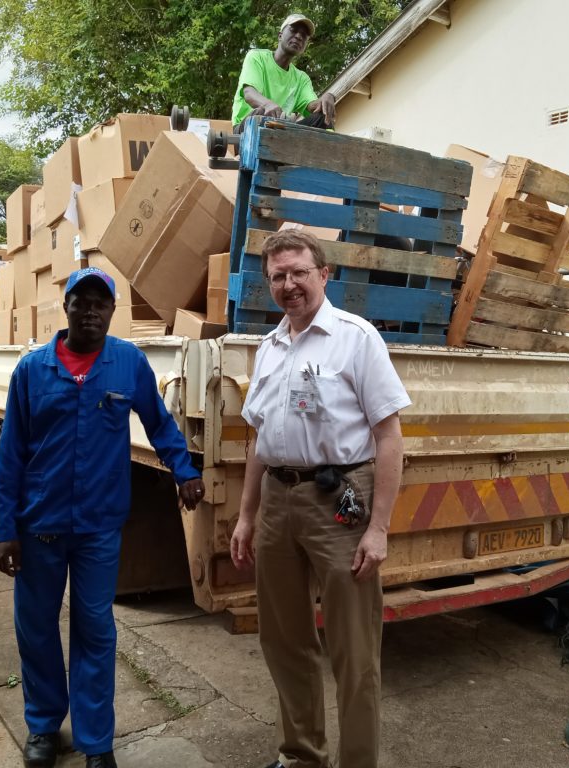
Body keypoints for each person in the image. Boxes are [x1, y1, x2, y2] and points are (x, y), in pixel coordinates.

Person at [0, 267, 206, 768]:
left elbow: (159, 422)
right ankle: (44, 726)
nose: (89, 311)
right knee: (37, 628)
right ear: (64, 308)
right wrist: (4, 530)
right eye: (80, 302)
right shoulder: (32, 370)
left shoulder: (127, 363)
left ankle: (96, 741)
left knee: (95, 628)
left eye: (99, 303)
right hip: (38, 526)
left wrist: (183, 469)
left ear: (112, 312)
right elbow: (11, 456)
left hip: (97, 528)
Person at [230, 231, 410, 768]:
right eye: (278, 277)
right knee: (284, 640)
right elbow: (259, 439)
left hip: (341, 501)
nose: (289, 285)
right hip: (277, 503)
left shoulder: (355, 339)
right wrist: (246, 515)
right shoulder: (269, 348)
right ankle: (302, 755)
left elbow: (389, 436)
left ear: (324, 274)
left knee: (353, 650)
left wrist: (377, 527)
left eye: (299, 273)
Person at [231, 13, 336, 132]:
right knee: (260, 114)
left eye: (303, 35)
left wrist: (328, 98)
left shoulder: (301, 78)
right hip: (247, 128)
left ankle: (335, 147)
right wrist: (267, 105)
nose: (298, 36)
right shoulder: (256, 57)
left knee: (322, 117)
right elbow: (249, 93)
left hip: (280, 130)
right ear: (280, 35)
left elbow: (313, 107)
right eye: (293, 30)